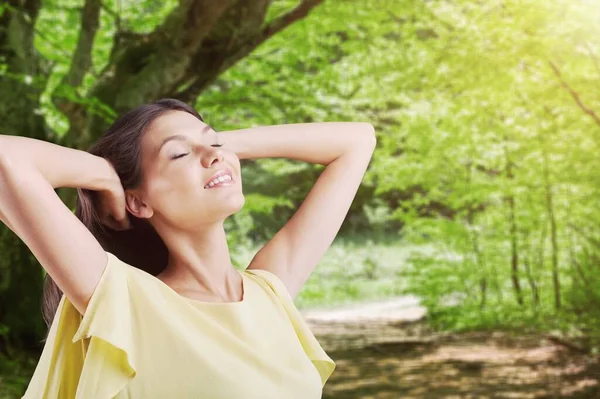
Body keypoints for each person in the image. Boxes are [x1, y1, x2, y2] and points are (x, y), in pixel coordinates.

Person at [0, 98, 376, 398]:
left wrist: (222, 146)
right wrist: (104, 176)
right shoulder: (127, 301)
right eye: (179, 154)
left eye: (213, 144)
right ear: (139, 203)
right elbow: (6, 160)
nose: (212, 154)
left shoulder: (270, 293)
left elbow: (357, 140)